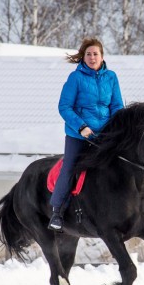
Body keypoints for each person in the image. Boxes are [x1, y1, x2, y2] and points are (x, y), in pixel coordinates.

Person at [48, 37, 124, 231]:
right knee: (70, 167)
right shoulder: (76, 78)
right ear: (83, 57)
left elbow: (117, 106)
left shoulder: (111, 77)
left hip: (105, 135)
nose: (92, 58)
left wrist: (114, 128)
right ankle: (57, 211)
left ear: (102, 56)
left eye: (95, 54)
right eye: (88, 54)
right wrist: (81, 127)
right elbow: (64, 107)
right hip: (78, 134)